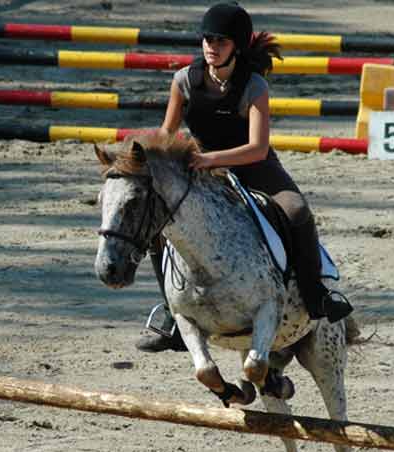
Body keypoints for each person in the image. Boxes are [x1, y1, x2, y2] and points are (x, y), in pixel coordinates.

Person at [137, 1, 354, 353]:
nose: (211, 47)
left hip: (255, 168)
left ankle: (317, 295)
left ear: (236, 46)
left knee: (296, 210)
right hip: (203, 173)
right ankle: (171, 314)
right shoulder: (184, 81)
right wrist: (149, 156)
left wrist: (209, 159)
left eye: (220, 41)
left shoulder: (254, 86)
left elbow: (257, 147)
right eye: (207, 39)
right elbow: (166, 132)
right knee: (159, 223)